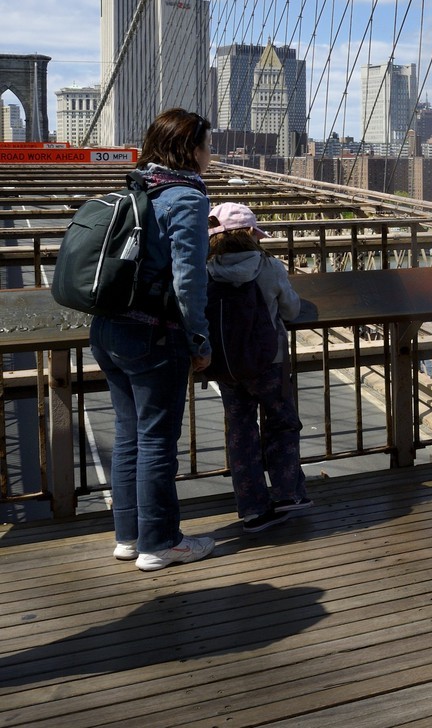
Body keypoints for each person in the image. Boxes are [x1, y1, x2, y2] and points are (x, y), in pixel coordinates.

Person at [91, 108, 217, 571]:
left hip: (108, 328)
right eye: (206, 144)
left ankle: (129, 537)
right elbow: (189, 282)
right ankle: (160, 543)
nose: (211, 153)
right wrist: (199, 340)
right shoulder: (186, 198)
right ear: (189, 149)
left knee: (129, 436)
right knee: (158, 440)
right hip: (152, 335)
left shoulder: (135, 187)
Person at [206, 201, 312, 532]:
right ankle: (286, 495)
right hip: (270, 362)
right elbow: (292, 310)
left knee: (240, 431)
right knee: (281, 423)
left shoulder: (204, 268)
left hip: (226, 364)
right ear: (252, 233)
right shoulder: (268, 266)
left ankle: (252, 508)